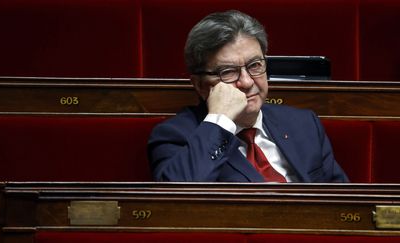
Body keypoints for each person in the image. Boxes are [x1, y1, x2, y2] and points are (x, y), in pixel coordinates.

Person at [147, 10, 349, 183]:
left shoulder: (304, 124)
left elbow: (342, 202)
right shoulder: (175, 135)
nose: (246, 82)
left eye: (255, 65)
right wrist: (220, 121)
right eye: (228, 71)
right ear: (200, 85)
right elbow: (176, 199)